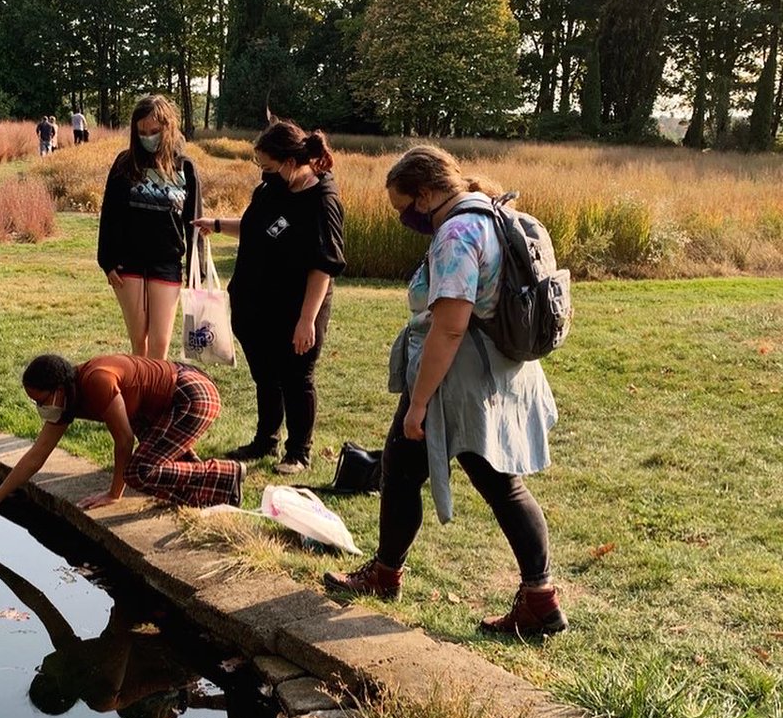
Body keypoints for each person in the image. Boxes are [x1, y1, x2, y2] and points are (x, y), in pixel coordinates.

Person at [323, 144, 566, 636]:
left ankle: (537, 599)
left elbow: (450, 328)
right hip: (496, 369)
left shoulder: (457, 232)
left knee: (490, 483)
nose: (406, 219)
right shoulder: (495, 213)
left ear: (428, 192)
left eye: (406, 207)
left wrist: (418, 403)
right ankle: (390, 572)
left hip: (458, 377)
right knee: (407, 470)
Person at [194, 120, 344, 475]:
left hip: (296, 307)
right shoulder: (271, 190)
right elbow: (254, 227)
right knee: (265, 376)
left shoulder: (322, 203)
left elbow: (323, 267)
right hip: (254, 303)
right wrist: (215, 225)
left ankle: (298, 452)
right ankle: (265, 440)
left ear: (291, 162)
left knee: (297, 376)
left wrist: (307, 320)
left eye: (268, 166)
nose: (263, 174)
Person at [0, 352, 243, 535]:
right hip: (158, 407)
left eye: (40, 401)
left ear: (58, 389)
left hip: (192, 394)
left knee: (140, 472)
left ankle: (226, 474)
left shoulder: (96, 381)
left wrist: (115, 493)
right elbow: (36, 457)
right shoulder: (64, 401)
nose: (39, 407)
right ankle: (215, 494)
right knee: (156, 469)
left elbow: (124, 439)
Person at [97, 94, 202, 360]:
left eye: (154, 131)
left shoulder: (185, 167)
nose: (148, 137)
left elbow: (194, 222)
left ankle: (157, 398)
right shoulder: (124, 164)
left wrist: (195, 268)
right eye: (142, 132)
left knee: (159, 345)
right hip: (127, 262)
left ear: (168, 128)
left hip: (166, 261)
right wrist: (106, 261)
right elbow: (109, 214)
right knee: (139, 344)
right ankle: (139, 398)